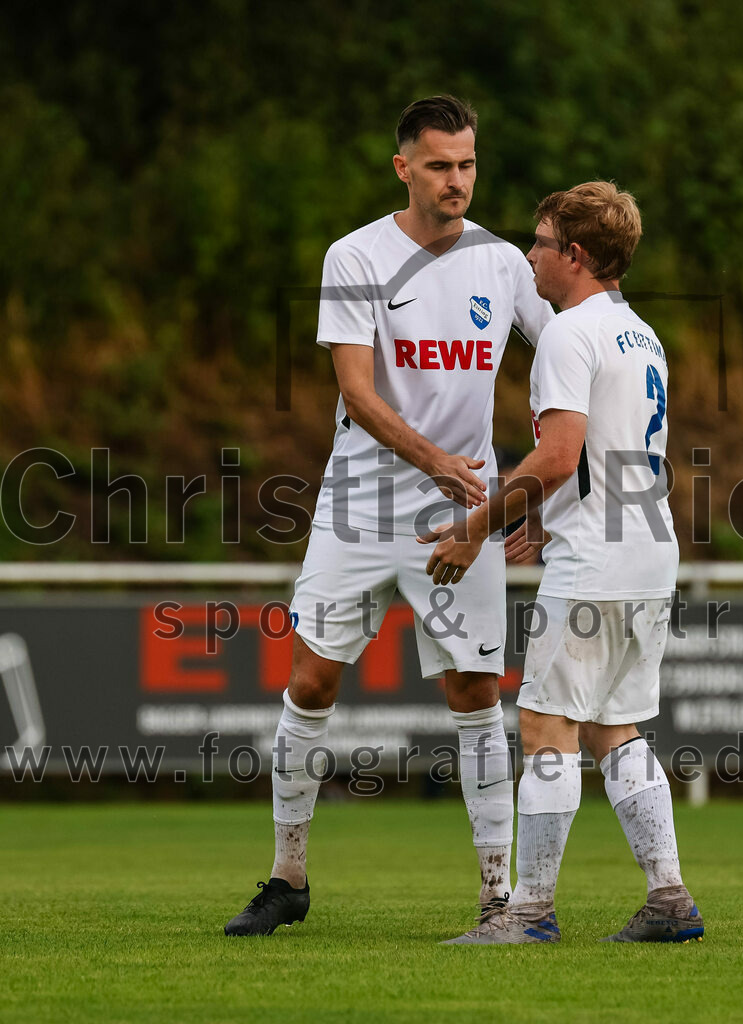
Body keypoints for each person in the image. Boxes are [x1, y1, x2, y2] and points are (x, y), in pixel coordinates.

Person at [224, 96, 554, 936]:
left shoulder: (504, 262)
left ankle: (495, 892)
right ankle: (286, 875)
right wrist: (436, 461)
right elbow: (356, 393)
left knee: (474, 691)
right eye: (440, 165)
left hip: (462, 510)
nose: (457, 181)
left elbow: (564, 363)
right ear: (402, 166)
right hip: (360, 504)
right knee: (310, 679)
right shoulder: (356, 255)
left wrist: (541, 488)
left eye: (468, 164)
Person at [422, 181, 704, 944]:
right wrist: (547, 519)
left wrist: (476, 528)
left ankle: (529, 912)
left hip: (597, 563)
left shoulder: (566, 333)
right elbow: (602, 459)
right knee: (617, 729)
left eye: (540, 242)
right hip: (647, 552)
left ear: (574, 255)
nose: (529, 255)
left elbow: (555, 456)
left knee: (546, 727)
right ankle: (669, 899)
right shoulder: (639, 333)